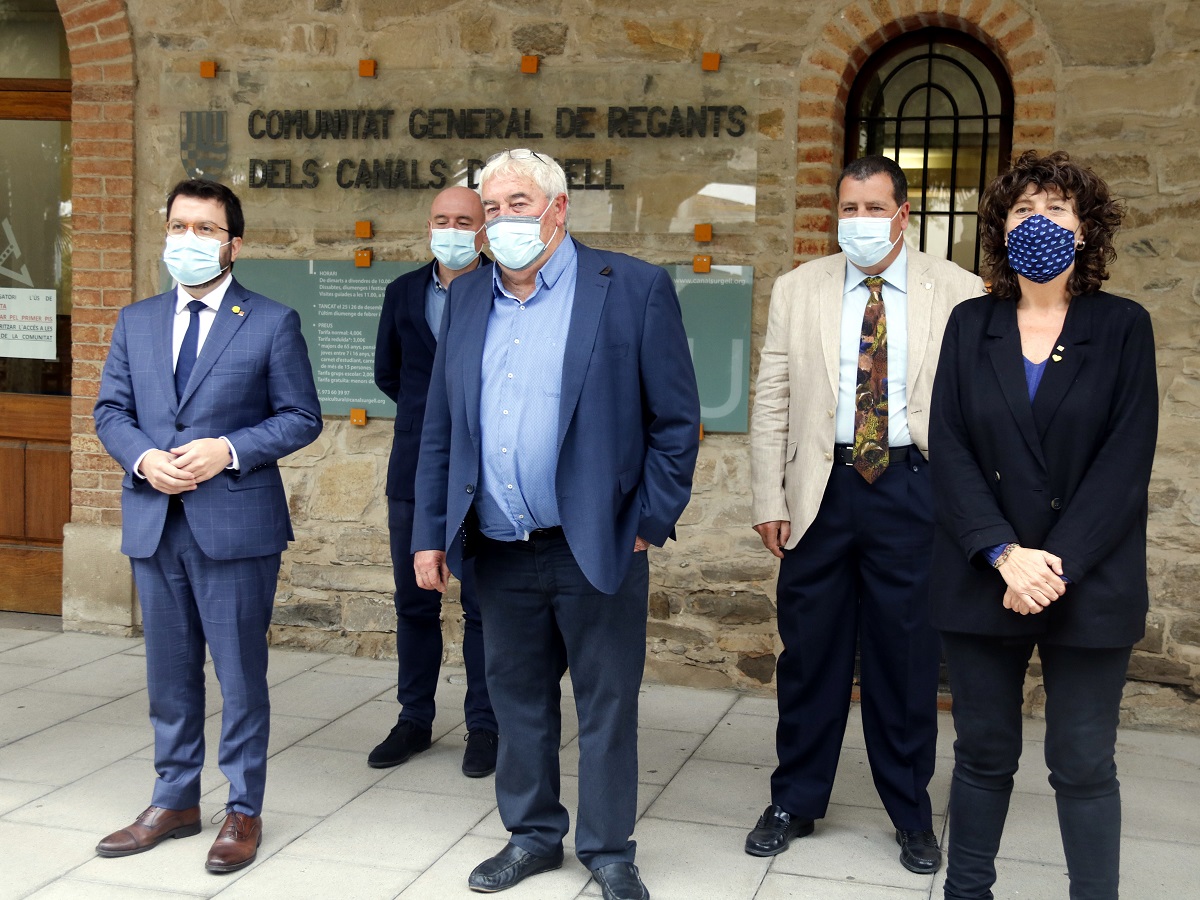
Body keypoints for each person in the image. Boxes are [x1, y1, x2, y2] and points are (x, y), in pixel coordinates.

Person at [411, 149, 700, 900]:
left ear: (558, 209)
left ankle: (608, 849)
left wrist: (649, 519)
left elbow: (676, 421)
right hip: (499, 544)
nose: (501, 219)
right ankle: (533, 835)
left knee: (606, 703)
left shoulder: (631, 288)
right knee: (517, 700)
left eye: (518, 203)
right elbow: (441, 429)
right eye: (492, 207)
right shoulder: (467, 298)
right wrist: (430, 532)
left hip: (596, 541)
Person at [930, 151, 1157, 900]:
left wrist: (1050, 565)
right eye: (1024, 209)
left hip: (1087, 579)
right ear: (1002, 228)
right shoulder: (971, 324)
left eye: (1057, 208)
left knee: (1083, 762)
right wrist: (1003, 554)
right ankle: (967, 892)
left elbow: (1125, 462)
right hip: (985, 575)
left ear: (1085, 229)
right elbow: (950, 447)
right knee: (983, 754)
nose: (1040, 221)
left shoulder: (1123, 327)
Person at [748, 155, 985, 873]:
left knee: (907, 658)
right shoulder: (799, 288)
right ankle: (794, 800)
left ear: (902, 215)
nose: (858, 221)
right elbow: (773, 396)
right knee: (809, 654)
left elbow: (977, 407)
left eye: (873, 208)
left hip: (913, 488)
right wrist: (769, 497)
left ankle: (910, 811)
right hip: (821, 491)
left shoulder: (960, 289)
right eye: (848, 209)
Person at [93, 179, 322, 874]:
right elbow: (110, 411)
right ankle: (175, 800)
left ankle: (243, 808)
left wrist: (229, 449)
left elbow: (301, 417)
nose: (187, 240)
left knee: (240, 675)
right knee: (169, 674)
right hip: (155, 520)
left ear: (233, 245)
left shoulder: (271, 321)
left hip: (235, 525)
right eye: (178, 226)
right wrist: (142, 459)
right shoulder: (136, 321)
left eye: (204, 229)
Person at [370, 186, 498, 777]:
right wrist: (430, 418)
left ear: (484, 229)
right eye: (442, 220)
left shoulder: (503, 287)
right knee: (414, 601)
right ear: (428, 227)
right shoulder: (402, 292)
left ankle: (486, 725)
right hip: (414, 467)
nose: (452, 230)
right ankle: (414, 719)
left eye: (464, 221)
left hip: (484, 471)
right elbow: (388, 372)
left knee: (483, 606)